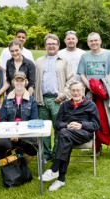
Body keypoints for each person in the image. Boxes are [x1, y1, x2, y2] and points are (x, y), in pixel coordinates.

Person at [77, 32, 110, 161]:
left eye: (96, 40)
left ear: (100, 41)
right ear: (88, 43)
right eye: (91, 41)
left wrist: (102, 86)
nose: (94, 43)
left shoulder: (109, 54)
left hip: (107, 92)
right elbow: (82, 74)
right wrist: (90, 86)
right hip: (91, 93)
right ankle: (96, 147)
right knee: (92, 119)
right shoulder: (85, 56)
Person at [40, 81, 100, 191]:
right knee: (65, 137)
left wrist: (81, 125)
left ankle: (54, 169)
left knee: (64, 135)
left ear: (83, 91)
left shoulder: (91, 105)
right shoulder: (64, 105)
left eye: (78, 90)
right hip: (67, 135)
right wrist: (67, 125)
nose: (76, 93)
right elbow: (57, 124)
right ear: (70, 92)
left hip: (84, 133)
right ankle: (60, 180)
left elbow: (96, 125)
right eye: (73, 90)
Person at [34, 33, 74, 162]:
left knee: (59, 128)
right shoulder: (39, 61)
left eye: (53, 43)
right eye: (48, 44)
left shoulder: (64, 61)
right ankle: (46, 154)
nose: (51, 46)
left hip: (58, 99)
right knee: (43, 130)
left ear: (58, 45)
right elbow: (34, 81)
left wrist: (63, 95)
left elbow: (71, 80)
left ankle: (57, 154)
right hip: (42, 99)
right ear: (45, 46)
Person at [0, 71, 38, 161]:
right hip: (9, 132)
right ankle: (9, 166)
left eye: (22, 80)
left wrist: (19, 136)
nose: (19, 83)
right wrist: (12, 133)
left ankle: (21, 159)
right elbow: (2, 120)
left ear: (26, 82)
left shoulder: (32, 100)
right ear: (13, 82)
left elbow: (34, 121)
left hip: (25, 133)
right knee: (2, 143)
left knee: (32, 146)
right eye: (17, 80)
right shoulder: (6, 99)